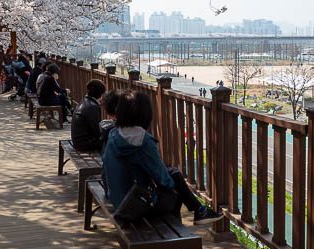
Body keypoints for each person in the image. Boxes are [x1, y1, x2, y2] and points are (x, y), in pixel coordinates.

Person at [102, 91, 222, 225]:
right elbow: (163, 180)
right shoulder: (143, 141)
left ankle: (199, 211)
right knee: (174, 194)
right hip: (135, 205)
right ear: (145, 113)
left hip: (117, 198)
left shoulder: (114, 134)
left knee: (174, 174)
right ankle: (176, 232)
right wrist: (172, 185)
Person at [71, 79, 106, 151]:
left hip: (78, 141)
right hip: (84, 144)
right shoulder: (93, 107)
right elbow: (96, 131)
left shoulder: (84, 101)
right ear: (101, 94)